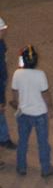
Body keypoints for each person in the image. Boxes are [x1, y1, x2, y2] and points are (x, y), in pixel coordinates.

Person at [10, 45, 53, 178]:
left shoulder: (17, 73)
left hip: (23, 114)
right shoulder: (40, 74)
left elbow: (14, 93)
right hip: (39, 115)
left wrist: (16, 104)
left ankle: (21, 167)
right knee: (43, 142)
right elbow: (45, 94)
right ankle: (45, 168)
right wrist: (50, 107)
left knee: (23, 142)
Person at [0, 16, 15, 150]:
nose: (5, 31)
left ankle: (4, 138)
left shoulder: (1, 43)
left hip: (1, 83)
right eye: (2, 29)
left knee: (1, 114)